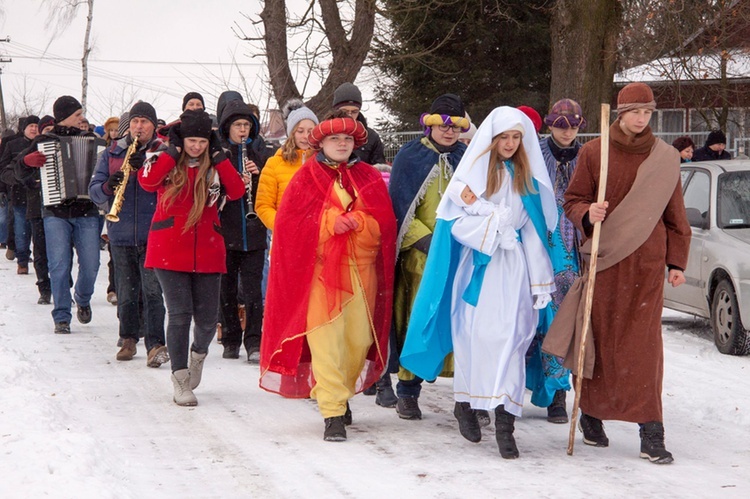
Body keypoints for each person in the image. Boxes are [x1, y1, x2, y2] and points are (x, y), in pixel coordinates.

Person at [542, 82, 691, 464]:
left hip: (646, 263)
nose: (641, 119)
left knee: (644, 350)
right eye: (635, 112)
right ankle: (591, 416)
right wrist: (586, 213)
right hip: (605, 261)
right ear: (621, 114)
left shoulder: (665, 159)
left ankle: (651, 431)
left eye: (647, 113)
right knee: (600, 343)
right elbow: (572, 199)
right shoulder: (595, 153)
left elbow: (675, 216)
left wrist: (677, 262)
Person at [400, 107, 557, 459]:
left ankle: (506, 424)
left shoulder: (525, 178)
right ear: (491, 139)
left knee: (513, 339)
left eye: (516, 137)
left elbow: (532, 231)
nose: (510, 143)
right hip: (478, 270)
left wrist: (540, 281)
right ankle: (467, 403)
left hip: (514, 270)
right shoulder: (470, 178)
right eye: (504, 137)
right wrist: (491, 230)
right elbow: (454, 226)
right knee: (475, 337)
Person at [260, 110, 397, 442]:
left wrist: (362, 224)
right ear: (321, 142)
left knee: (358, 341)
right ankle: (333, 411)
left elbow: (385, 225)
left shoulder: (367, 176)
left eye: (347, 138)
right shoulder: (306, 178)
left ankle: (340, 392)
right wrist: (328, 224)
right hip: (322, 276)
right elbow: (292, 226)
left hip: (362, 274)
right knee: (327, 343)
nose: (341, 143)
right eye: (335, 138)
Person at [138, 109, 245, 406]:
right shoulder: (163, 158)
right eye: (190, 141)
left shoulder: (216, 163)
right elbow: (147, 182)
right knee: (180, 313)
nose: (195, 146)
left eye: (201, 141)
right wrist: (172, 152)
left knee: (209, 320)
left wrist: (220, 157)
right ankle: (180, 377)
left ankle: (198, 355)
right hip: (169, 248)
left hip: (209, 249)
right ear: (181, 140)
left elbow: (236, 191)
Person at [389, 94, 469, 420]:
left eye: (455, 126)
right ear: (431, 123)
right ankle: (408, 390)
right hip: (420, 256)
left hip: (459, 251)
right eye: (443, 125)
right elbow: (398, 206)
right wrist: (423, 239)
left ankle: (465, 396)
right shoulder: (410, 157)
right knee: (417, 319)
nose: (449, 132)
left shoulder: (469, 157)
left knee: (459, 321)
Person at [89, 102, 169, 367]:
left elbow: (169, 185)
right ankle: (127, 338)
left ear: (153, 126)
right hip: (121, 231)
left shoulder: (163, 152)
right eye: (135, 121)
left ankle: (156, 343)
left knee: (153, 291)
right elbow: (94, 191)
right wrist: (107, 186)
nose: (139, 126)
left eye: (144, 122)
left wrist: (147, 165)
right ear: (128, 125)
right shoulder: (112, 152)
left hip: (154, 233)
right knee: (126, 290)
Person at [16, 96, 102, 334]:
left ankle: (83, 298)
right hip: (55, 211)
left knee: (91, 264)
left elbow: (102, 171)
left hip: (87, 212)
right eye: (77, 115)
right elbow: (17, 170)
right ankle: (62, 315)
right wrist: (27, 163)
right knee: (59, 265)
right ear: (63, 116)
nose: (81, 118)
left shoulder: (92, 141)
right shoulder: (44, 141)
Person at [525, 99, 587, 424]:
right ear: (551, 124)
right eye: (561, 125)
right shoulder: (534, 154)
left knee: (563, 318)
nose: (567, 131)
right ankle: (515, 386)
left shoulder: (587, 157)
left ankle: (557, 394)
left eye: (573, 125)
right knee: (532, 316)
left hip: (571, 248)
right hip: (539, 241)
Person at [217, 98, 268, 362]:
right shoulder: (219, 155)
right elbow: (213, 193)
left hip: (254, 233)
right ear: (228, 127)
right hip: (226, 233)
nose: (242, 130)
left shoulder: (261, 156)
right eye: (238, 124)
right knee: (225, 289)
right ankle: (230, 338)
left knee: (253, 292)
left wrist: (256, 177)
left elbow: (268, 195)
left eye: (246, 125)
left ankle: (254, 341)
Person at [255, 100, 318, 231]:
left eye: (310, 131)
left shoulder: (323, 163)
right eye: (300, 131)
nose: (305, 136)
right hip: (285, 240)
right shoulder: (275, 163)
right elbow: (263, 205)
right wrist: (283, 226)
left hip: (318, 239)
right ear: (292, 133)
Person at [0, 116, 39, 275]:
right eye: (31, 126)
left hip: (39, 195)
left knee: (38, 232)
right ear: (24, 128)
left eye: (37, 126)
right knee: (21, 229)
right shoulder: (13, 145)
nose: (34, 129)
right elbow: (4, 169)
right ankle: (22, 260)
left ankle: (40, 261)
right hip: (19, 194)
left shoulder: (45, 144)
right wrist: (11, 182)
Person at [331, 82, 386, 165]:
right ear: (336, 110)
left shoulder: (371, 136)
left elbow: (379, 168)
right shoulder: (324, 134)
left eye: (354, 112)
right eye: (344, 111)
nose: (349, 115)